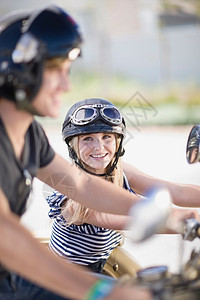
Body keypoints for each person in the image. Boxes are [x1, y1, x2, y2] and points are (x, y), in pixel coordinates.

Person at [0, 5, 153, 300]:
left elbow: (80, 184)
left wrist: (170, 216)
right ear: (19, 69)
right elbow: (5, 235)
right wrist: (100, 291)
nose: (66, 85)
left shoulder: (27, 134)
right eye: (56, 71)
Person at [46, 97, 200, 274]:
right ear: (73, 146)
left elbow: (176, 191)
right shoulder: (70, 189)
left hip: (101, 267)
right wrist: (190, 218)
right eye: (88, 138)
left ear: (118, 142)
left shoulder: (120, 172)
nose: (99, 147)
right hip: (63, 278)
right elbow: (131, 219)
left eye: (106, 137)